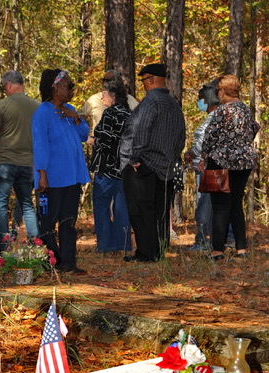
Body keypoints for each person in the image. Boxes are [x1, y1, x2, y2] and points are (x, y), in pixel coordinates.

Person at [120, 63, 186, 262]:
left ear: (151, 79)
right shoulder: (173, 104)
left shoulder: (150, 102)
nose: (142, 84)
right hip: (165, 167)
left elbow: (141, 130)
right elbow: (181, 136)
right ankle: (157, 250)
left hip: (144, 165)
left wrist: (134, 158)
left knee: (140, 210)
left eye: (143, 80)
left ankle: (146, 253)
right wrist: (171, 158)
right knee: (159, 211)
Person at [32, 69, 90, 274]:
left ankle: (68, 262)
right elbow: (40, 144)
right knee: (48, 222)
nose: (72, 89)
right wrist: (42, 174)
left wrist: (76, 118)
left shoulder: (69, 110)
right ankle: (50, 261)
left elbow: (84, 135)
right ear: (55, 87)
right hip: (52, 178)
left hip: (71, 177)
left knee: (68, 221)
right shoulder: (43, 112)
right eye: (68, 85)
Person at [201, 74, 257, 261]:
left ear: (223, 91)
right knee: (236, 205)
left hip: (221, 161)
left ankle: (217, 251)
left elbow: (209, 136)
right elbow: (254, 128)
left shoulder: (221, 111)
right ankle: (241, 249)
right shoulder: (246, 110)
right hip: (244, 162)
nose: (217, 94)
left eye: (218, 91)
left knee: (220, 206)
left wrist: (204, 156)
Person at [0, 70, 39, 254]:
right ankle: (35, 246)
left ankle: (3, 248)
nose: (5, 90)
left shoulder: (2, 105)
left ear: (9, 84)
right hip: (27, 162)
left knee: (1, 205)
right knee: (27, 204)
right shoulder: (37, 106)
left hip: (5, 161)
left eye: (4, 87)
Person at [87, 80, 132, 255]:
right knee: (121, 208)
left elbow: (105, 140)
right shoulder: (129, 114)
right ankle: (124, 243)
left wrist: (92, 140)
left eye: (104, 94)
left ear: (113, 96)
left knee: (101, 206)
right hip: (124, 169)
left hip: (106, 168)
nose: (102, 98)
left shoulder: (110, 113)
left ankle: (105, 244)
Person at [184, 83, 219, 251]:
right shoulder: (212, 117)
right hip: (203, 167)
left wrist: (190, 153)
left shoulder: (214, 118)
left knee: (204, 205)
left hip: (205, 168)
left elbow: (203, 143)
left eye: (200, 99)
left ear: (208, 99)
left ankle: (203, 240)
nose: (199, 102)